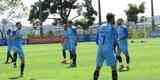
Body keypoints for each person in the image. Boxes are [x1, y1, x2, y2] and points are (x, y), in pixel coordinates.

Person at [93, 13, 118, 80]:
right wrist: (116, 52)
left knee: (98, 67)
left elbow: (96, 40)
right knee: (114, 67)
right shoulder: (113, 28)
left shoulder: (101, 27)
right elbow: (115, 41)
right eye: (113, 18)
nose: (114, 20)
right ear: (111, 19)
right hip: (108, 49)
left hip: (100, 49)